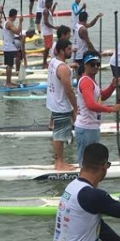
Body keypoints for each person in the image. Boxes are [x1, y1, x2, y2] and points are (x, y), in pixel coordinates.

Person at [74, 55, 120, 165]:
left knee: (91, 161)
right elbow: (90, 105)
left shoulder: (91, 81)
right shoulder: (86, 82)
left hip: (92, 126)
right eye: (92, 64)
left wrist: (112, 86)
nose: (96, 67)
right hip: (86, 127)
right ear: (85, 65)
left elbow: (101, 97)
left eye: (98, 64)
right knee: (86, 163)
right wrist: (111, 109)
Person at [45, 38, 78, 171]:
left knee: (58, 133)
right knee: (59, 135)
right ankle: (60, 163)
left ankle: (58, 160)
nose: (71, 51)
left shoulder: (53, 62)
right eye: (69, 49)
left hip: (53, 102)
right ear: (61, 51)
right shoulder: (63, 68)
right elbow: (68, 90)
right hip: (61, 104)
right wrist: (76, 108)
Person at [1, 8, 34, 88]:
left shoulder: (8, 23)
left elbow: (14, 33)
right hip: (8, 47)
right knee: (9, 65)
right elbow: (17, 31)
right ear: (14, 15)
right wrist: (20, 22)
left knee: (10, 64)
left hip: (9, 46)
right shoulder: (9, 23)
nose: (16, 18)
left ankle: (9, 81)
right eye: (16, 16)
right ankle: (8, 83)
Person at [73, 9, 103, 76]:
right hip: (81, 55)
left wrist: (97, 17)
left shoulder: (76, 25)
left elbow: (90, 24)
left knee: (78, 74)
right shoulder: (83, 29)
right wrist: (96, 53)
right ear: (86, 19)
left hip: (76, 54)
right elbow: (89, 43)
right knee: (83, 74)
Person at [39, 0, 57, 67]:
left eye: (52, 3)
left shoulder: (48, 10)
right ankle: (44, 63)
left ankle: (46, 62)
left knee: (49, 47)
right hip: (47, 33)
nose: (51, 5)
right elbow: (46, 22)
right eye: (51, 3)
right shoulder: (45, 11)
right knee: (47, 48)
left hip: (49, 32)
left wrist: (54, 7)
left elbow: (51, 14)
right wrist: (54, 27)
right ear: (47, 3)